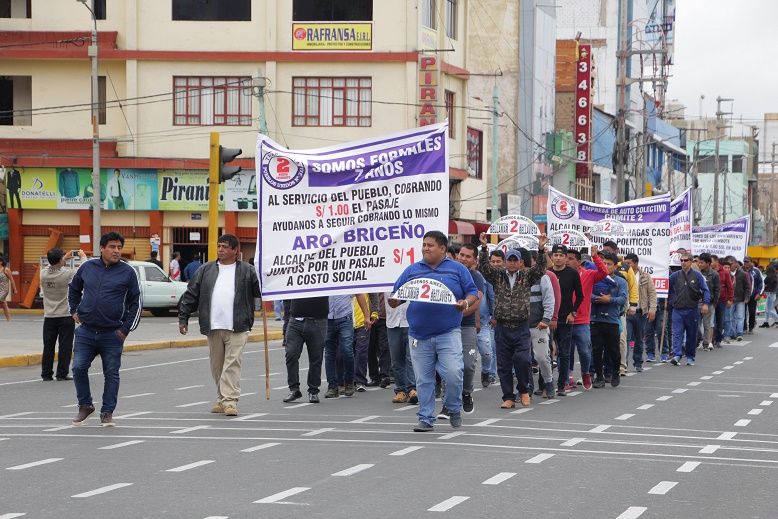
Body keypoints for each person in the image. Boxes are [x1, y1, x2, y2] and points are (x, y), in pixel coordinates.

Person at [389, 230, 479, 432]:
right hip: (419, 336)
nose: (425, 248)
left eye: (430, 245)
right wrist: (394, 301)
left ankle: (454, 408)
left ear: (442, 249)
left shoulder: (457, 269)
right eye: (424, 245)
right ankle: (426, 418)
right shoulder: (412, 270)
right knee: (424, 380)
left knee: (455, 374)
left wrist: (465, 303)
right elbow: (398, 295)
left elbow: (472, 292)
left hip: (448, 333)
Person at [178, 234, 261, 416]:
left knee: (231, 364)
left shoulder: (247, 270)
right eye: (219, 246)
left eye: (225, 247)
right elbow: (191, 293)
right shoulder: (206, 270)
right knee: (217, 366)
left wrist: (265, 274)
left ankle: (230, 401)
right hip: (213, 325)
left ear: (235, 250)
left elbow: (259, 290)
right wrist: (183, 317)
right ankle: (221, 399)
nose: (221, 250)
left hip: (238, 325)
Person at [68, 231, 142, 426]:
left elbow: (137, 302)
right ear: (102, 248)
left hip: (112, 333)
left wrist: (125, 330)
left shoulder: (128, 271)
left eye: (119, 247)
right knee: (78, 367)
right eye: (112, 247)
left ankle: (107, 411)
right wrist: (74, 310)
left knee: (111, 373)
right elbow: (74, 289)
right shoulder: (87, 267)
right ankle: (85, 406)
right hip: (86, 330)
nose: (116, 251)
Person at [477, 233, 549, 408]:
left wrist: (540, 250)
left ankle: (524, 390)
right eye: (509, 259)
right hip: (502, 327)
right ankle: (508, 397)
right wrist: (485, 248)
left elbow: (540, 269)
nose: (511, 263)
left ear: (520, 262)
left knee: (523, 359)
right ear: (505, 261)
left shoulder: (527, 276)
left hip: (521, 327)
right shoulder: (498, 276)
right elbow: (485, 269)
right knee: (503, 364)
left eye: (514, 260)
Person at [41, 248, 86, 381]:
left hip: (49, 316)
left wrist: (63, 258)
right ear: (60, 260)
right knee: (65, 346)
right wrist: (82, 256)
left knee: (48, 346)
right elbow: (82, 269)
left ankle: (46, 373)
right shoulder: (66, 275)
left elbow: (50, 265)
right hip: (65, 315)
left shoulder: (43, 274)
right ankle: (61, 373)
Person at [566, 245, 607, 387]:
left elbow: (603, 272)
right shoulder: (560, 274)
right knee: (566, 352)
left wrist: (595, 256)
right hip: (564, 320)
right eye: (566, 258)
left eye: (570, 259)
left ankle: (585, 373)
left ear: (579, 262)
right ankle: (567, 377)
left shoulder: (588, 274)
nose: (567, 261)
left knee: (584, 351)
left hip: (582, 321)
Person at [546, 244, 584, 396]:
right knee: (546, 352)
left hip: (566, 319)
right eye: (555, 255)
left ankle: (562, 384)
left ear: (565, 257)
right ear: (552, 257)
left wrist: (572, 313)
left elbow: (580, 295)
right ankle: (546, 384)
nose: (558, 258)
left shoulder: (572, 273)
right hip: (548, 319)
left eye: (561, 255)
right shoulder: (547, 273)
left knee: (564, 353)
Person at [454, 243, 485, 415]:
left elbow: (475, 304)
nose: (463, 258)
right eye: (461, 255)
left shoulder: (476, 276)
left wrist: (455, 315)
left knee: (467, 365)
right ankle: (448, 400)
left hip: (466, 327)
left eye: (468, 256)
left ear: (474, 260)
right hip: (447, 328)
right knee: (449, 366)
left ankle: (466, 392)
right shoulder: (448, 273)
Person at [590, 253, 629, 388]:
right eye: (604, 263)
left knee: (613, 350)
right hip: (595, 319)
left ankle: (615, 371)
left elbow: (623, 299)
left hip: (612, 320)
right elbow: (587, 293)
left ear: (615, 266)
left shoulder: (621, 281)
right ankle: (599, 377)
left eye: (609, 264)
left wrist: (609, 300)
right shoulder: (596, 278)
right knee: (596, 349)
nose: (606, 266)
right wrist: (597, 299)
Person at [282, 296, 329, 403]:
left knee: (316, 357)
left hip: (318, 320)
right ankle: (294, 389)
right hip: (295, 320)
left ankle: (313, 390)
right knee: (291, 353)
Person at [602, 241, 638, 375]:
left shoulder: (625, 267)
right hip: (600, 310)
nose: (607, 252)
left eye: (609, 250)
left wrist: (633, 305)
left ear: (616, 251)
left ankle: (622, 366)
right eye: (605, 250)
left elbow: (633, 287)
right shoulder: (599, 267)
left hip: (619, 310)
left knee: (621, 339)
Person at [668, 253, 710, 366]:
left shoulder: (697, 276)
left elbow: (705, 290)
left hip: (692, 309)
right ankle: (677, 355)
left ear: (691, 261)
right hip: (678, 309)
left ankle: (690, 356)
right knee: (677, 333)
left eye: (686, 260)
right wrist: (672, 300)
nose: (683, 262)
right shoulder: (675, 276)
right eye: (681, 260)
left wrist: (706, 304)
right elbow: (666, 286)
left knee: (691, 334)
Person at [323, 294, 367, 399]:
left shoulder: (346, 277)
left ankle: (348, 381)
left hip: (344, 317)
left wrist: (366, 315)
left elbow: (359, 293)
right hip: (327, 318)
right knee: (329, 352)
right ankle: (332, 386)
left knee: (347, 350)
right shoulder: (323, 277)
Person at [624, 253, 657, 372]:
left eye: (629, 263)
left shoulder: (645, 276)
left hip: (640, 312)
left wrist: (652, 309)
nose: (626, 265)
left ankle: (638, 362)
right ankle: (624, 364)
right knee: (626, 338)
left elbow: (652, 293)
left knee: (639, 339)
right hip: (626, 312)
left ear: (636, 264)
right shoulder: (623, 274)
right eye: (625, 263)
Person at [386, 291, 417, 404]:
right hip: (392, 322)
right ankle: (401, 390)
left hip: (410, 322)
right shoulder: (383, 278)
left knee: (411, 358)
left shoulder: (409, 276)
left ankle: (412, 389)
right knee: (396, 359)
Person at [697, 253, 720, 351]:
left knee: (707, 325)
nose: (700, 264)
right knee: (696, 324)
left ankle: (706, 342)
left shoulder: (714, 274)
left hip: (709, 303)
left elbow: (717, 290)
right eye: (699, 262)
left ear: (708, 263)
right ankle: (698, 340)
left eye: (702, 262)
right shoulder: (696, 273)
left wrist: (714, 304)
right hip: (697, 303)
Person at [712, 255, 733, 348]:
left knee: (720, 320)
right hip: (711, 300)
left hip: (721, 300)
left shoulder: (725, 272)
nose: (710, 264)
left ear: (717, 262)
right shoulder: (709, 272)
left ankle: (718, 339)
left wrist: (730, 299)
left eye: (712, 261)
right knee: (711, 322)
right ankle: (710, 339)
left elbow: (730, 287)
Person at [729, 257, 750, 342]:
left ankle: (739, 333)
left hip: (740, 298)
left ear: (735, 263)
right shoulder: (726, 273)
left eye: (731, 264)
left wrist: (747, 297)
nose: (730, 266)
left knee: (740, 317)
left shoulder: (742, 274)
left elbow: (747, 287)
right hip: (730, 299)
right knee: (730, 317)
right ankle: (733, 334)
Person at [743, 256, 763, 335]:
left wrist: (759, 293)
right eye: (745, 262)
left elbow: (761, 283)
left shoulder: (756, 271)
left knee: (752, 312)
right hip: (743, 296)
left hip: (753, 295)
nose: (746, 263)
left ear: (751, 262)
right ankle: (743, 328)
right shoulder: (741, 270)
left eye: (748, 262)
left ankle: (751, 327)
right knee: (742, 313)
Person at [0, 256, 17, 322]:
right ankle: (9, 319)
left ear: (1, 262)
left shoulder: (6, 269)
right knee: (3, 304)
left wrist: (15, 289)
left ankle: (9, 319)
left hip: (4, 289)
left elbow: (12, 279)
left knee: (0, 299)